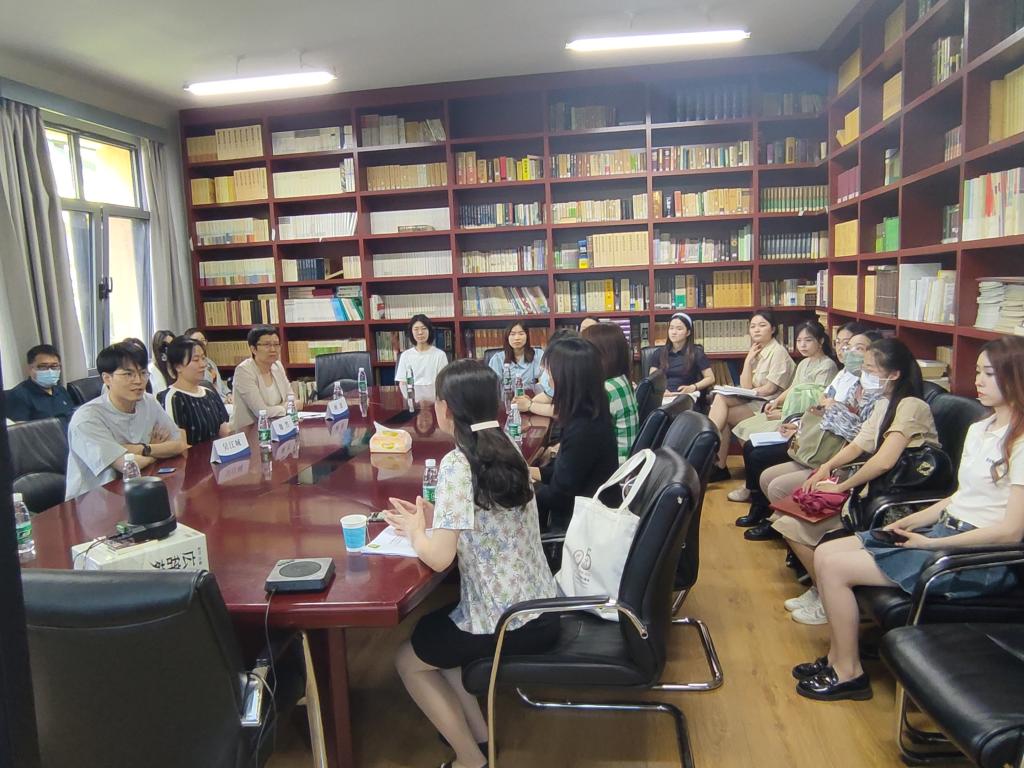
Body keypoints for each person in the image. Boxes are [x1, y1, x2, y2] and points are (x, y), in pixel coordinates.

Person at [795, 337, 1024, 701]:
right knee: (826, 553)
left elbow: (1010, 532)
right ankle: (837, 657)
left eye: (990, 374)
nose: (978, 381)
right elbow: (959, 498)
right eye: (978, 371)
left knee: (836, 569)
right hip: (944, 532)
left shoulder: (1020, 443)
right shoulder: (981, 429)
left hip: (978, 557)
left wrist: (932, 544)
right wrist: (913, 523)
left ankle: (848, 673)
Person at [386, 360, 558, 768]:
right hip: (540, 607)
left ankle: (470, 760)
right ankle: (481, 738)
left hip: (504, 621)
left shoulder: (458, 463)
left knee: (408, 662)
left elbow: (439, 556)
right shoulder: (507, 445)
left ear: (445, 408)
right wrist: (438, 517)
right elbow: (489, 517)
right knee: (435, 636)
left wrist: (416, 531)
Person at [762, 338, 939, 624]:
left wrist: (841, 486)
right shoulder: (885, 403)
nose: (864, 375)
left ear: (894, 374)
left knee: (791, 525)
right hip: (870, 492)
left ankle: (827, 597)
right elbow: (858, 445)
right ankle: (820, 590)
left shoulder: (911, 406)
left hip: (892, 502)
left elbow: (884, 461)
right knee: (785, 518)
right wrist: (826, 468)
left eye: (871, 369)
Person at [734, 330, 879, 526]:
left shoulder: (871, 389)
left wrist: (833, 409)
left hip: (830, 448)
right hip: (814, 435)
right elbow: (819, 410)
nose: (846, 351)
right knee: (751, 447)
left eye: (857, 348)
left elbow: (854, 431)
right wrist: (798, 424)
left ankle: (770, 517)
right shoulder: (844, 375)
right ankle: (762, 509)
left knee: (759, 456)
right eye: (842, 344)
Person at [65, 342, 188, 500]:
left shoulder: (148, 401)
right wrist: (157, 449)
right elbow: (129, 466)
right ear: (107, 378)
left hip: (141, 489)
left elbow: (179, 443)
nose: (138, 381)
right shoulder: (87, 418)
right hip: (95, 502)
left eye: (143, 373)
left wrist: (144, 448)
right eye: (128, 374)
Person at [729, 320, 838, 497]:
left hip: (800, 417)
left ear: (821, 341)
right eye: (799, 341)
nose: (802, 345)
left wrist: (784, 413)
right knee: (745, 427)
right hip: (788, 411)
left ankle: (753, 485)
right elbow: (793, 388)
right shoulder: (804, 363)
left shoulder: (827, 366)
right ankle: (753, 481)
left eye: (808, 340)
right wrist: (776, 401)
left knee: (755, 437)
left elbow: (815, 401)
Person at [529, 336, 618, 530]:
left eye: (550, 372)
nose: (547, 379)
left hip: (582, 525)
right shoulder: (588, 412)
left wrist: (524, 490)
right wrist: (527, 472)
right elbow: (566, 472)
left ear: (566, 378)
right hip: (581, 510)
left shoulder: (584, 429)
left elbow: (559, 496)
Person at [708, 310, 796, 482]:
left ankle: (708, 444)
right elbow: (746, 385)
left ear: (773, 329)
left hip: (770, 405)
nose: (756, 330)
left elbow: (770, 389)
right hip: (756, 401)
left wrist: (749, 392)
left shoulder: (777, 352)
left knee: (722, 404)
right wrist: (748, 361)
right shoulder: (757, 350)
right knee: (721, 401)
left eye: (762, 325)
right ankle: (718, 463)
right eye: (753, 326)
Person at [582, 322, 639, 463]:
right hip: (625, 462)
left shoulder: (607, 390)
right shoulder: (620, 381)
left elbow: (584, 439)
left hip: (614, 469)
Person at [161, 337, 232, 445]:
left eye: (203, 358)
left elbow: (225, 430)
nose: (203, 364)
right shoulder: (173, 398)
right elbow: (178, 445)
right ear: (178, 366)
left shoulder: (209, 393)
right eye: (196, 360)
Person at [231, 325, 292, 429]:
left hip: (279, 427)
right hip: (250, 431)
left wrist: (285, 407)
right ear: (253, 349)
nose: (273, 349)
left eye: (276, 344)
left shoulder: (277, 366)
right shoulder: (244, 371)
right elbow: (261, 412)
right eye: (267, 345)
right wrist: (285, 408)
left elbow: (292, 398)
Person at [514, 327, 578, 419]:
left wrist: (530, 406)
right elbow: (548, 395)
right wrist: (526, 402)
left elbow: (563, 411)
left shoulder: (578, 378)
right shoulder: (562, 376)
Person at [649, 312, 714, 399]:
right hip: (663, 396)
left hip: (685, 397)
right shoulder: (659, 353)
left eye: (679, 329)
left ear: (688, 332)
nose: (674, 332)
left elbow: (710, 378)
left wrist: (693, 387)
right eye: (671, 328)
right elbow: (652, 379)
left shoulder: (696, 353)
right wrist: (660, 390)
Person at [7, 344, 76, 423]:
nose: (50, 371)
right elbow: (21, 429)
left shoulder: (60, 389)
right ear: (30, 369)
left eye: (54, 366)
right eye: (43, 367)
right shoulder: (18, 395)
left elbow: (72, 415)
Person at [395, 314, 449, 387]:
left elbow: (443, 382)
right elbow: (402, 383)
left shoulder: (440, 355)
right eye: (416, 329)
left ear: (429, 331)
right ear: (411, 332)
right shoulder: (405, 355)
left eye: (424, 328)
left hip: (433, 393)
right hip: (412, 393)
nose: (420, 332)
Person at [487, 321, 543, 388]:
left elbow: (545, 382)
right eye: (512, 334)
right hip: (506, 394)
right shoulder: (497, 359)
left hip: (531, 394)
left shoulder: (538, 355)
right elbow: (492, 385)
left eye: (521, 334)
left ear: (527, 336)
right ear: (507, 337)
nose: (517, 338)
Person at [184, 327, 231, 401]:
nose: (201, 343)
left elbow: (220, 383)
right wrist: (222, 400)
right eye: (197, 341)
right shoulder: (190, 366)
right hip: (209, 401)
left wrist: (229, 394)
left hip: (223, 400)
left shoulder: (210, 362)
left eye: (203, 340)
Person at [148, 329, 176, 396]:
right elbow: (160, 394)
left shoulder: (178, 366)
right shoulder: (152, 369)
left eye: (172, 345)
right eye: (165, 346)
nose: (169, 349)